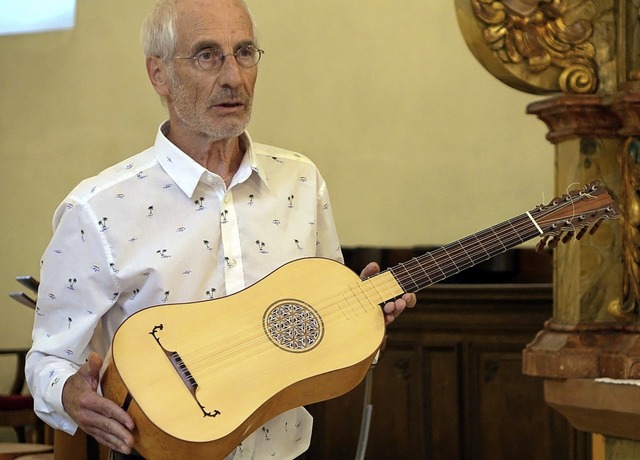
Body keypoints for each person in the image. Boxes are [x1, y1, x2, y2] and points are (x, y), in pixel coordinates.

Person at [25, 0, 416, 458]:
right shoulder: (97, 210)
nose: (233, 76)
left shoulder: (302, 181)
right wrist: (71, 396)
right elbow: (48, 360)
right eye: (207, 55)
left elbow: (323, 335)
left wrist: (363, 320)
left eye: (245, 52)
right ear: (158, 75)